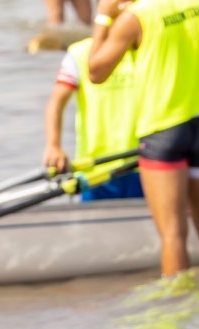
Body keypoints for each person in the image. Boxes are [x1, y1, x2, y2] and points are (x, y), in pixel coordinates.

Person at [88, 0, 199, 276]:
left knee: (173, 235)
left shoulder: (136, 17)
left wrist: (102, 18)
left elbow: (95, 72)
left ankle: (176, 309)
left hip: (162, 132)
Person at [45, 29, 149, 202]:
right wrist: (53, 145)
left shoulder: (148, 49)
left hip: (145, 164)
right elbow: (56, 102)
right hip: (95, 169)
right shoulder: (79, 53)